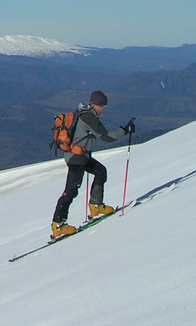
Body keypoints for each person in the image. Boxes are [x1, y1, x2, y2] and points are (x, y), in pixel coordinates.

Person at [51, 90, 135, 239]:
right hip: (76, 159)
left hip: (80, 156)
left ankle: (96, 205)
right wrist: (125, 130)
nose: (104, 110)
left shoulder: (84, 114)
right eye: (104, 106)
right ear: (98, 105)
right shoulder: (89, 118)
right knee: (70, 191)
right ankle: (58, 224)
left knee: (100, 171)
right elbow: (106, 136)